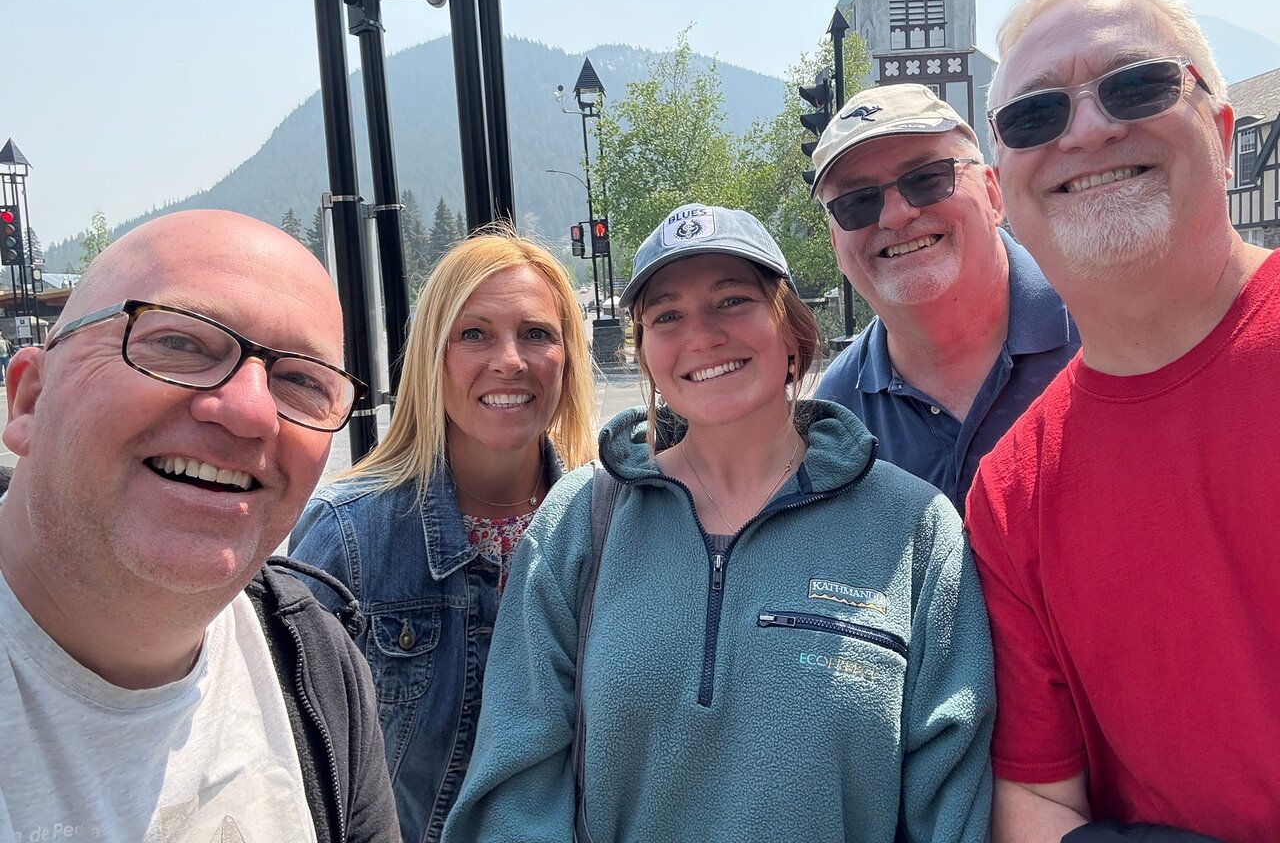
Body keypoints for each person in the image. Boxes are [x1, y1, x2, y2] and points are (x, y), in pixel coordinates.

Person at [442, 204, 995, 843]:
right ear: (646, 355)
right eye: (667, 316)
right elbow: (516, 790)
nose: (702, 335)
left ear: (790, 330)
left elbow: (953, 807)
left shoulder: (915, 531)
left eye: (732, 301)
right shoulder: (579, 522)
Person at [966, 0, 1280, 842]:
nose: (1087, 129)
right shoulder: (1012, 492)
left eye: (1135, 85)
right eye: (1033, 116)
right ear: (1004, 193)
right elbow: (1036, 799)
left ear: (1220, 134)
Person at [0, 210, 398, 842]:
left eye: (300, 380)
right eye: (180, 344)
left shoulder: (319, 669)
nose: (248, 411)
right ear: (29, 399)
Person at [290, 227, 596, 843]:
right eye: (474, 333)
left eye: (537, 334)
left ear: (568, 355)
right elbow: (301, 772)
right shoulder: (348, 536)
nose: (509, 359)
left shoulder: (613, 520)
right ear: (435, 354)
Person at [812, 83, 1078, 511]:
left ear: (993, 193)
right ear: (835, 246)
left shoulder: (1111, 330)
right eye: (857, 202)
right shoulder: (836, 416)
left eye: (927, 179)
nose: (897, 214)